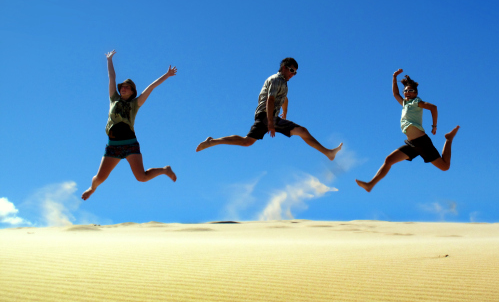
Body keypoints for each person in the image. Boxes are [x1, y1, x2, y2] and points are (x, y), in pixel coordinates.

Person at [196, 58, 342, 160]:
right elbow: (270, 100)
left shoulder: (283, 84)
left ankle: (212, 141)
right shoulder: (276, 79)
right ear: (284, 67)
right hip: (266, 116)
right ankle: (328, 152)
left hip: (271, 117)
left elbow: (283, 98)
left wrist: (285, 111)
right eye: (291, 70)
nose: (293, 74)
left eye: (295, 72)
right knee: (301, 131)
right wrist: (271, 123)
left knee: (247, 142)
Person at [81, 50, 178, 201]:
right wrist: (109, 60)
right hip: (112, 146)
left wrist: (166, 75)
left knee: (142, 177)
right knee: (99, 178)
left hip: (130, 144)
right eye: (122, 87)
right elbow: (112, 77)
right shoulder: (114, 99)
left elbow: (151, 87)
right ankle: (92, 189)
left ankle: (165, 170)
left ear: (133, 91)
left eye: (127, 87)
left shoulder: (135, 104)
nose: (123, 89)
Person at [355, 69, 459, 192]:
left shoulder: (416, 102)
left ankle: (448, 139)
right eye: (405, 91)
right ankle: (370, 184)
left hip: (422, 142)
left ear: (415, 93)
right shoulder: (405, 103)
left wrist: (434, 126)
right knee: (389, 160)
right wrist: (394, 77)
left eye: (410, 90)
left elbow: (433, 107)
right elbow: (395, 94)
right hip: (412, 144)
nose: (407, 92)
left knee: (445, 166)